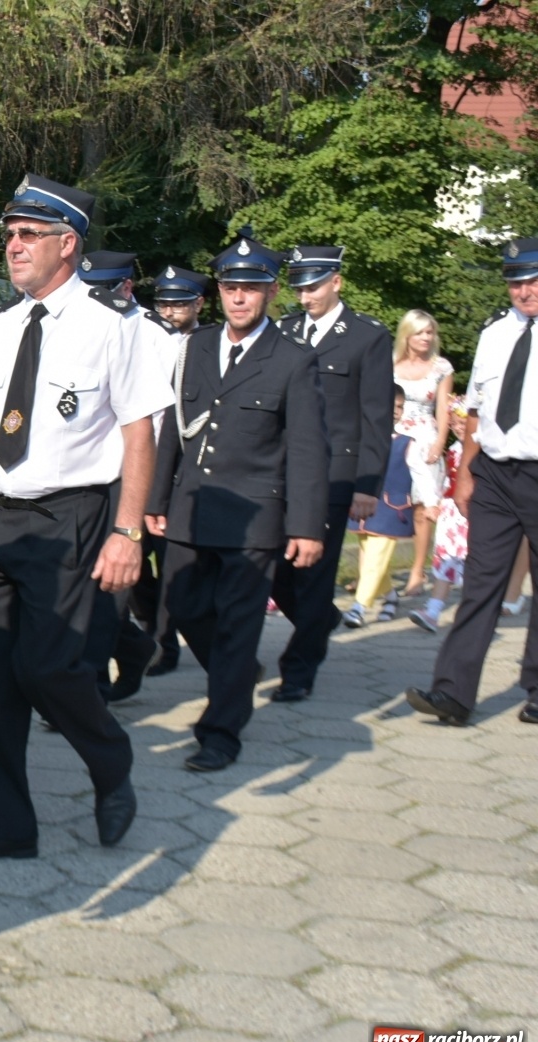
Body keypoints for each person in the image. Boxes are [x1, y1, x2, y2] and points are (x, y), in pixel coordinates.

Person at [0, 174, 169, 864]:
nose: (13, 246)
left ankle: (110, 765)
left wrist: (127, 531)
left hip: (70, 519)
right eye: (8, 234)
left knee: (50, 670)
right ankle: (4, 826)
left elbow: (139, 435)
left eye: (28, 234)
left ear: (69, 244)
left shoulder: (118, 326)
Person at [146, 235, 329, 771]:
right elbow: (171, 433)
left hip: (255, 515)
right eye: (230, 288)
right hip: (191, 504)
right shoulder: (195, 346)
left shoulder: (293, 359)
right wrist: (156, 498)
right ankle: (236, 673)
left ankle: (220, 732)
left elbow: (306, 449)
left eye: (251, 289)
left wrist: (306, 526)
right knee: (181, 605)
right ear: (218, 292)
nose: (240, 298)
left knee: (237, 624)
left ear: (272, 292)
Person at [407, 237, 538, 728]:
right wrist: (466, 475)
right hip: (497, 475)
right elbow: (478, 409)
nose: (523, 291)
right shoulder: (496, 333)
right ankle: (453, 694)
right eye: (515, 282)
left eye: (531, 280)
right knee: (480, 583)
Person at [267, 246, 394, 700]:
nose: (305, 296)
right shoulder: (284, 330)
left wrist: (366, 485)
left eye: (314, 286)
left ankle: (298, 672)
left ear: (336, 282)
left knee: (315, 573)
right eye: (299, 287)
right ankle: (320, 620)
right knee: (276, 570)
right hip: (284, 471)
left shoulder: (367, 337)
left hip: (337, 474)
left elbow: (377, 417)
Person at [76, 250, 182, 702]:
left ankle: (89, 688)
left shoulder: (156, 335)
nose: (95, 297)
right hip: (80, 471)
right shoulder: (78, 323)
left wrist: (151, 497)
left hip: (129, 471)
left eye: (105, 288)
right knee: (80, 582)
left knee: (108, 585)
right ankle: (134, 646)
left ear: (127, 288)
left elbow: (161, 424)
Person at [141, 265, 212, 678]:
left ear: (198, 303)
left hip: (181, 473)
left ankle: (168, 645)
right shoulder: (146, 337)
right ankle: (152, 631)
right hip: (139, 464)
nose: (169, 310)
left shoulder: (209, 345)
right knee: (132, 565)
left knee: (176, 572)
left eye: (179, 302)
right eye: (163, 302)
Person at [393, 309, 454, 596]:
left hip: (425, 436)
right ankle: (377, 572)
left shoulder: (441, 367)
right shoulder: (389, 363)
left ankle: (418, 571)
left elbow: (444, 408)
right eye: (420, 332)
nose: (426, 337)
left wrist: (439, 442)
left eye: (430, 332)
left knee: (422, 505)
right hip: (394, 436)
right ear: (407, 334)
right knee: (389, 502)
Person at [340, 386, 412, 627]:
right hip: (362, 509)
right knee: (372, 557)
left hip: (392, 509)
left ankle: (359, 607)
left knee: (376, 555)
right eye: (391, 407)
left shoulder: (407, 443)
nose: (395, 412)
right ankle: (390, 596)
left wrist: (430, 502)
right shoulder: (361, 439)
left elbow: (422, 475)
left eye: (400, 407)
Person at [410, 396, 470, 634]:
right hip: (452, 512)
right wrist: (434, 503)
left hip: (475, 513)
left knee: (473, 562)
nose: (459, 427)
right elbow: (445, 481)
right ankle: (433, 610)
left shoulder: (484, 451)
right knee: (446, 558)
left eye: (463, 423)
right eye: (454, 423)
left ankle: (472, 613)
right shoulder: (454, 450)